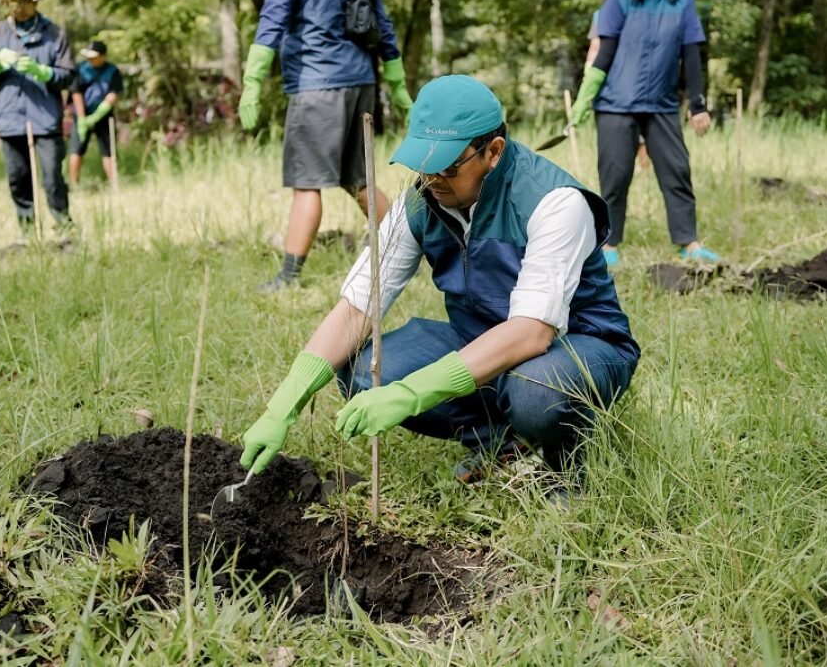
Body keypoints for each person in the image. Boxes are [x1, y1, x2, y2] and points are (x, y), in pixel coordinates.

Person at [238, 75, 641, 487]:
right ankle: (505, 442)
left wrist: (411, 393)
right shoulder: (419, 202)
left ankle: (564, 466)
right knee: (363, 370)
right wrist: (285, 403)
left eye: (447, 166)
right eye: (422, 164)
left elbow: (532, 333)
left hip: (577, 347)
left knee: (536, 390)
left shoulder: (554, 202)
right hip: (482, 341)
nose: (431, 179)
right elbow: (358, 307)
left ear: (493, 152)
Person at [238, 0, 414, 291]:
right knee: (359, 180)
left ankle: (288, 277)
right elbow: (383, 25)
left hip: (317, 85)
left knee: (307, 183)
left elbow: (274, 16)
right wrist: (397, 86)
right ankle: (406, 250)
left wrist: (252, 80)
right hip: (363, 82)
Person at [572, 0, 719, 268]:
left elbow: (691, 55)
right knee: (616, 175)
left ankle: (689, 243)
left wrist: (697, 104)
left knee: (677, 170)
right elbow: (604, 54)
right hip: (615, 105)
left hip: (662, 106)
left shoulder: (682, 1)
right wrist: (584, 100)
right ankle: (608, 246)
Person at [0, 0, 74, 232]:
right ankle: (27, 230)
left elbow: (67, 75)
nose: (18, 7)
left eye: (23, 1)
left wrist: (43, 72)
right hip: (11, 118)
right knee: (18, 178)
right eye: (12, 2)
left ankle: (63, 226)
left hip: (45, 117)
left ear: (34, 2)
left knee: (53, 177)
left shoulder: (55, 34)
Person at [585, 0, 652, 174]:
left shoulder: (640, 12)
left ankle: (645, 173)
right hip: (610, 86)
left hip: (635, 84)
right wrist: (589, 73)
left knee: (641, 136)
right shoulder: (600, 14)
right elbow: (595, 46)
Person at [68, 40, 123, 186]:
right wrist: (82, 118)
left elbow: (114, 94)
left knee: (108, 152)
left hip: (104, 117)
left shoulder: (112, 71)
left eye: (94, 56)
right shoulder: (81, 69)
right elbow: (76, 92)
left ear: (103, 56)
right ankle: (74, 184)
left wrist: (97, 116)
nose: (90, 59)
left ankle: (115, 184)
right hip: (81, 115)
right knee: (76, 149)